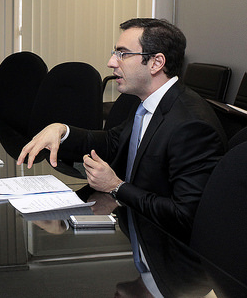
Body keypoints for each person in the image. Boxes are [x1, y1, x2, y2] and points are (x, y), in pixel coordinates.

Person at [17, 18, 226, 241]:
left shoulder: (191, 126)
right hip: (134, 226)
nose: (111, 62)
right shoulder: (146, 101)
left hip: (165, 250)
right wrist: (61, 130)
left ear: (156, 63)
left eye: (123, 54)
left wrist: (116, 186)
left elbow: (184, 215)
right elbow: (113, 141)